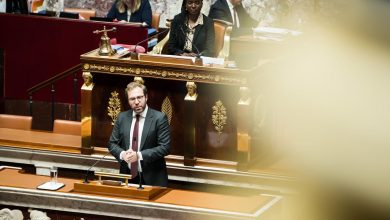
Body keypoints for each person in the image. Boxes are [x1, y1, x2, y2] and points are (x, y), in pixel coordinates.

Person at [108, 82, 171, 187]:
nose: (136, 102)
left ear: (146, 97)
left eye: (139, 97)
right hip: (127, 177)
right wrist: (123, 154)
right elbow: (112, 144)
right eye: (132, 99)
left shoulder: (159, 118)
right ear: (128, 101)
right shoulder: (122, 118)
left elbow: (165, 147)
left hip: (152, 178)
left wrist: (138, 156)